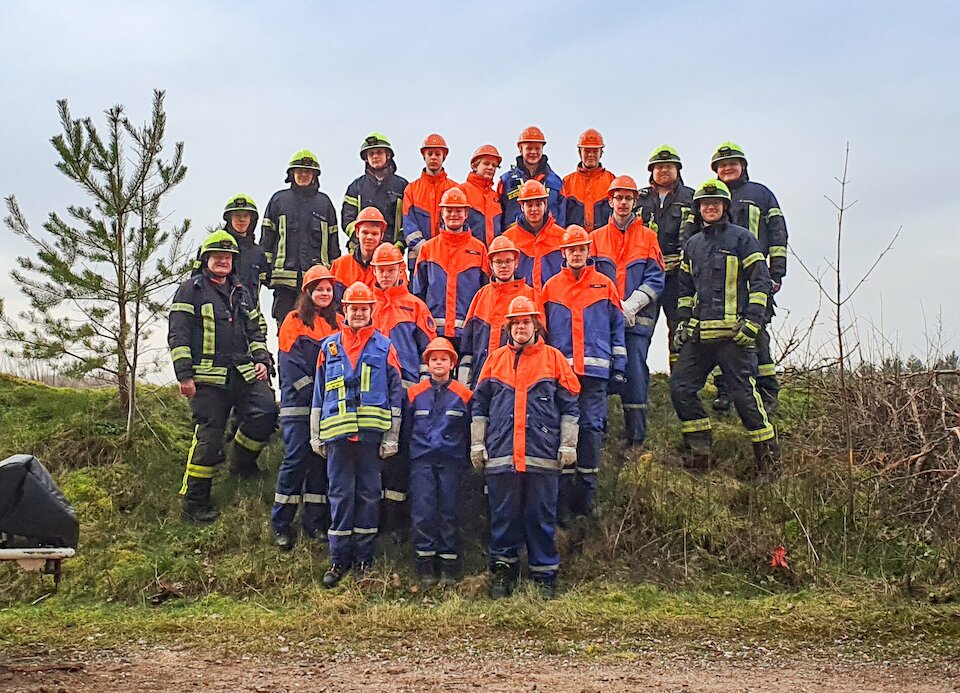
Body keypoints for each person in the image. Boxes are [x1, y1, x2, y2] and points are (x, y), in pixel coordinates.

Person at [471, 295, 580, 599]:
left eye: (525, 322)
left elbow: (570, 406)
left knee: (540, 517)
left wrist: (568, 445)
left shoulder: (554, 359)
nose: (520, 327)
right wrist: (477, 443)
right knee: (503, 517)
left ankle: (544, 577)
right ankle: (503, 575)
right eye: (515, 323)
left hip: (542, 456)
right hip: (502, 455)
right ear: (508, 327)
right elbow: (479, 405)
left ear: (536, 325)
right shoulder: (494, 360)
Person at [669, 179, 779, 475]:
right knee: (680, 388)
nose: (710, 208)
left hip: (734, 337)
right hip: (701, 337)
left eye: (715, 203)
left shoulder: (742, 239)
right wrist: (682, 325)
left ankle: (768, 462)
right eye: (705, 204)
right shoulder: (692, 245)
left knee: (744, 397)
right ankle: (700, 453)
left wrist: (753, 322)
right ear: (699, 209)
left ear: (725, 207)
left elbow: (760, 283)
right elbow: (684, 291)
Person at [168, 231, 278, 524]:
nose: (222, 261)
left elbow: (255, 332)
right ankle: (194, 502)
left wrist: (262, 361)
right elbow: (178, 334)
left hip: (242, 372)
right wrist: (184, 375)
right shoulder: (190, 290)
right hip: (206, 380)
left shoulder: (241, 292)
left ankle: (241, 463)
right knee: (209, 438)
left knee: (266, 412)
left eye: (227, 257)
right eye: (217, 256)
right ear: (206, 259)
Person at [311, 282, 403, 587]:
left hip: (370, 438)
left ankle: (364, 559)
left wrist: (392, 438)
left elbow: (395, 395)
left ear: (371, 311)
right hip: (337, 438)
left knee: (367, 496)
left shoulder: (385, 346)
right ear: (345, 311)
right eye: (354, 308)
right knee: (339, 497)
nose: (359, 313)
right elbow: (319, 394)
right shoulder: (329, 347)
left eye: (364, 308)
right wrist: (316, 435)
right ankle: (338, 560)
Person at [541, 226, 625, 523]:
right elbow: (543, 334)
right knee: (561, 436)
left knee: (590, 432)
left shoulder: (604, 285)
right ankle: (562, 503)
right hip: (560, 377)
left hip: (595, 376)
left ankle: (586, 500)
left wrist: (619, 366)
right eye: (571, 249)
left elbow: (617, 328)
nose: (576, 254)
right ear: (562, 253)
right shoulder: (550, 287)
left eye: (581, 249)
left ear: (589, 252)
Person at [706, 142, 788, 414]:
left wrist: (776, 271)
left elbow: (777, 234)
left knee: (757, 331)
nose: (727, 167)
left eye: (733, 162)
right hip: (719, 278)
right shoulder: (709, 196)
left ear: (743, 166)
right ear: (716, 169)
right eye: (722, 164)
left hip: (753, 274)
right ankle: (725, 392)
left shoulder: (761, 195)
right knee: (718, 334)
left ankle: (766, 390)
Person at [590, 176, 665, 455]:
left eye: (628, 198)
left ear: (635, 202)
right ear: (610, 201)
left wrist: (632, 305)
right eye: (618, 198)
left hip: (637, 322)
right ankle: (601, 433)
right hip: (604, 321)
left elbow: (657, 278)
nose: (623, 203)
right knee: (601, 372)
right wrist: (610, 309)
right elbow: (589, 278)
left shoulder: (648, 237)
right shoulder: (596, 238)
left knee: (634, 372)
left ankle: (635, 439)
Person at [370, 242, 437, 538]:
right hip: (370, 395)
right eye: (381, 270)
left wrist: (420, 390)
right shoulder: (363, 303)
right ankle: (374, 519)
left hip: (406, 393)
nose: (386, 275)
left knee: (399, 457)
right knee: (372, 456)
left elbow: (430, 350)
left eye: (391, 269)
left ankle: (396, 522)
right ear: (375, 271)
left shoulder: (415, 305)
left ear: (401, 270)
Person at [271, 265, 341, 550]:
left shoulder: (337, 324)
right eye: (319, 289)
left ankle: (314, 523)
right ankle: (281, 525)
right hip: (299, 406)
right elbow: (289, 364)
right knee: (296, 460)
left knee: (318, 464)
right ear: (308, 292)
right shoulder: (294, 320)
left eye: (328, 289)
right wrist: (315, 394)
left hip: (326, 408)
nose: (324, 293)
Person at [406, 337, 472, 588]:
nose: (439, 364)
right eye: (434, 359)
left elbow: (467, 432)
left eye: (444, 359)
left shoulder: (464, 395)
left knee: (449, 512)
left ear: (452, 363)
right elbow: (407, 431)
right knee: (423, 512)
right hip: (421, 462)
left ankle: (448, 567)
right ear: (427, 364)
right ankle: (425, 566)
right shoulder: (414, 394)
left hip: (451, 463)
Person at [261, 150, 341, 330]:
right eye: (300, 171)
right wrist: (265, 272)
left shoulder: (324, 203)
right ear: (291, 174)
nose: (303, 175)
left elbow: (333, 245)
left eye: (308, 171)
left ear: (314, 175)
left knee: (318, 327)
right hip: (284, 283)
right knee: (285, 327)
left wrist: (333, 277)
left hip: (315, 283)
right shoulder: (278, 201)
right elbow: (267, 240)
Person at [637, 146, 694, 370]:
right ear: (651, 171)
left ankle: (678, 377)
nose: (663, 171)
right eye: (659, 167)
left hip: (679, 274)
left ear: (677, 170)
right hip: (648, 274)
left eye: (668, 166)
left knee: (679, 325)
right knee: (642, 328)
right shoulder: (639, 198)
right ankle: (641, 376)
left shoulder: (691, 197)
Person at [412, 187, 489, 350]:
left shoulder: (479, 249)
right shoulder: (429, 249)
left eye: (458, 210)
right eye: (449, 210)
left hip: (469, 335)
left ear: (466, 214)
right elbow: (418, 294)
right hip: (434, 333)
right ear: (442, 213)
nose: (454, 214)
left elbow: (485, 293)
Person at [459, 235, 541, 388]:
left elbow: (539, 343)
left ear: (516, 263)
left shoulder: (531, 296)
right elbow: (467, 347)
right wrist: (465, 386)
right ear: (490, 264)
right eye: (499, 262)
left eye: (508, 261)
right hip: (482, 378)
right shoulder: (481, 296)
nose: (504, 266)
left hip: (518, 381)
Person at [342, 132, 408, 252]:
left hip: (390, 254)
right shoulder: (355, 187)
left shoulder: (402, 187)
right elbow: (347, 220)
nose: (375, 156)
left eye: (379, 152)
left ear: (387, 155)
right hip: (359, 253)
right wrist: (360, 239)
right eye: (371, 154)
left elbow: (408, 221)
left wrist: (398, 246)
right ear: (366, 158)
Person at [402, 134, 459, 271]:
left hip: (449, 259)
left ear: (444, 157)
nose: (433, 157)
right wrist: (428, 251)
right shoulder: (411, 190)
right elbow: (410, 228)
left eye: (437, 154)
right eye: (430, 153)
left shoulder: (455, 190)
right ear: (424, 156)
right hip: (418, 259)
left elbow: (460, 224)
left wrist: (444, 251)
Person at [498, 126, 566, 230]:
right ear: (520, 149)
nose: (533, 152)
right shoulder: (506, 180)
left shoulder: (555, 181)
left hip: (549, 241)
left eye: (537, 148)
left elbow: (562, 215)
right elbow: (498, 215)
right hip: (515, 241)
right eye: (529, 148)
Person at [502, 180, 566, 291]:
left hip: (553, 300)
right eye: (529, 205)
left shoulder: (562, 237)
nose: (534, 209)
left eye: (538, 204)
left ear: (545, 205)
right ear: (522, 207)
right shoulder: (508, 239)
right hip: (521, 302)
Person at [562, 129, 615, 232]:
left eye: (595, 151)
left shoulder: (612, 181)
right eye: (586, 151)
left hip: (603, 243)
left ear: (601, 153)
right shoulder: (567, 182)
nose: (591, 155)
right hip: (575, 243)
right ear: (579, 152)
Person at [330, 206, 386, 303]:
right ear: (357, 233)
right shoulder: (339, 265)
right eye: (365, 232)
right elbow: (329, 303)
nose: (369, 237)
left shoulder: (392, 266)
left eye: (374, 234)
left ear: (382, 236)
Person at [462, 144, 503, 246]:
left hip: (494, 256)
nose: (491, 168)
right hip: (469, 254)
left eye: (494, 165)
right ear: (475, 166)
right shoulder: (462, 191)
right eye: (486, 163)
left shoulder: (495, 196)